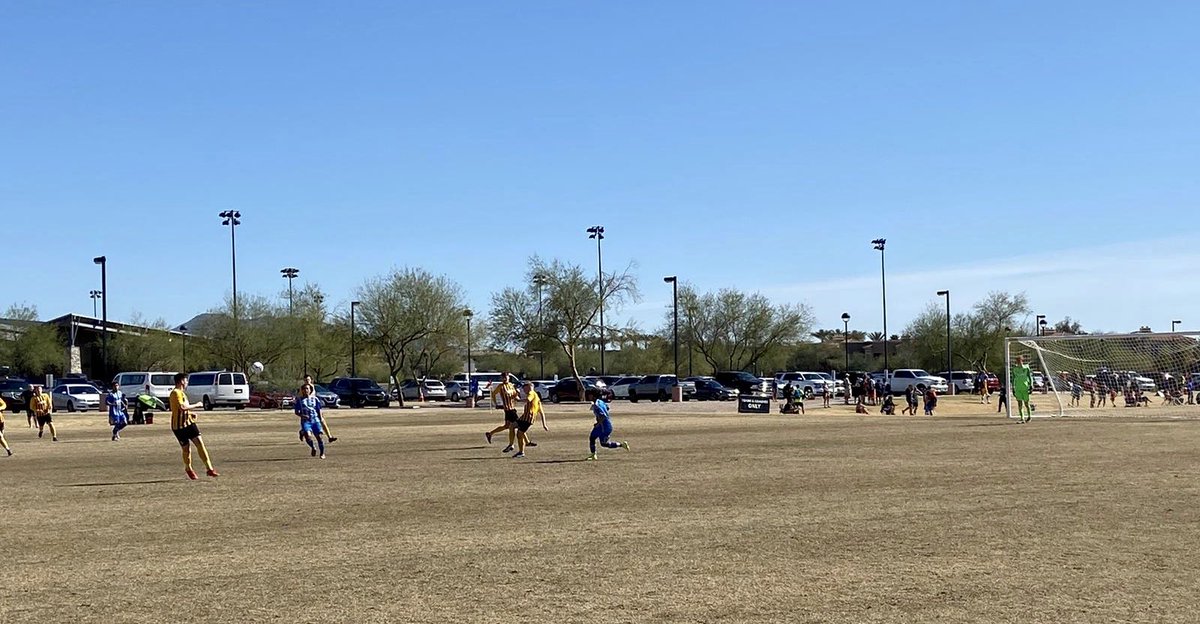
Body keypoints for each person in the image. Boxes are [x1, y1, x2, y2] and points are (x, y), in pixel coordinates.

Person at [169, 372, 219, 479]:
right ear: (182, 381)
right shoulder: (175, 393)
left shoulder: (182, 393)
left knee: (200, 443)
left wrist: (191, 413)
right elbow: (182, 407)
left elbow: (182, 409)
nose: (187, 382)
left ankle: (209, 469)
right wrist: (197, 405)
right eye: (186, 380)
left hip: (189, 423)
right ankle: (188, 468)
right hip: (178, 427)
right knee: (186, 449)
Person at [484, 372, 522, 453]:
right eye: (503, 377)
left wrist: (518, 397)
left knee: (507, 426)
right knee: (520, 425)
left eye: (506, 377)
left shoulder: (511, 385)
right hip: (509, 409)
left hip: (512, 408)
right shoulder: (501, 386)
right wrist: (496, 404)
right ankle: (525, 442)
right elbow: (493, 394)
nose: (505, 378)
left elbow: (515, 396)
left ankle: (490, 434)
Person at [586, 395, 628, 461]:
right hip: (603, 425)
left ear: (594, 396)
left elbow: (603, 416)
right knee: (592, 438)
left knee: (603, 444)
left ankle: (622, 445)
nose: (588, 396)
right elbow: (607, 408)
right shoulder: (600, 401)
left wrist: (598, 423)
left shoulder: (597, 405)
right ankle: (593, 455)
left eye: (590, 395)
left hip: (604, 427)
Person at [512, 381, 548, 459]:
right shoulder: (537, 397)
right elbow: (542, 412)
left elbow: (528, 400)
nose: (524, 390)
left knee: (519, 433)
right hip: (524, 417)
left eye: (524, 388)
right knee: (512, 426)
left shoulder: (531, 393)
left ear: (529, 387)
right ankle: (513, 445)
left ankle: (521, 452)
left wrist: (518, 400)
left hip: (528, 418)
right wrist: (544, 425)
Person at [295, 384, 327, 459]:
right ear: (302, 391)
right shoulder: (300, 400)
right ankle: (313, 447)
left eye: (307, 389)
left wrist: (320, 418)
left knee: (319, 437)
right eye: (304, 389)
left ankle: (322, 453)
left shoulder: (315, 399)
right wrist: (302, 416)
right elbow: (296, 411)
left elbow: (318, 410)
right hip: (306, 421)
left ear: (310, 390)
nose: (306, 390)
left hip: (315, 420)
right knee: (308, 437)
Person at [301, 375, 336, 443]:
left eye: (308, 379)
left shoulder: (312, 387)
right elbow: (301, 397)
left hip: (314, 407)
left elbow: (314, 397)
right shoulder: (303, 388)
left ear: (311, 380)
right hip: (307, 409)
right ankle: (302, 432)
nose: (307, 381)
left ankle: (329, 437)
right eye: (305, 380)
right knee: (309, 423)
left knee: (322, 420)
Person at [1011, 355, 1034, 423]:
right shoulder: (1015, 369)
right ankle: (1022, 418)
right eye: (1017, 360)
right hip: (1018, 388)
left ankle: (1029, 416)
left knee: (1026, 403)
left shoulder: (1026, 368)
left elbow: (1030, 377)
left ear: (1022, 360)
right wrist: (1013, 387)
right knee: (1019, 403)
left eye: (1019, 360)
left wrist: (1031, 385)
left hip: (1025, 387)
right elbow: (1013, 378)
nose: (1018, 362)